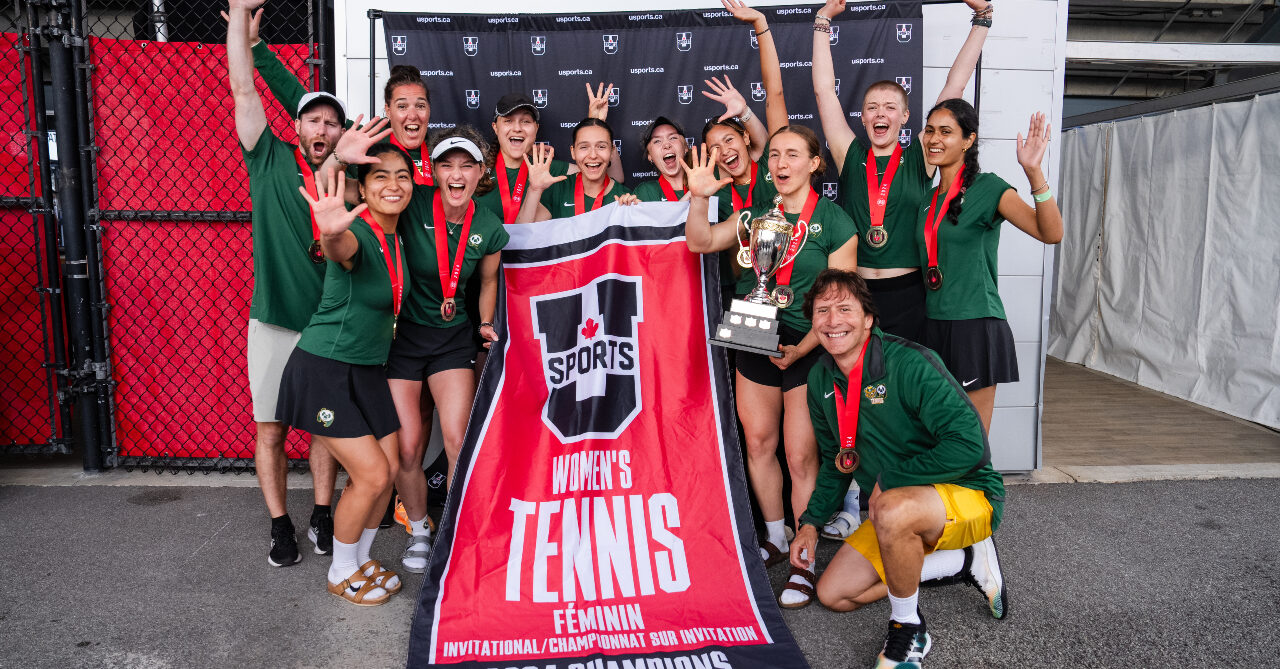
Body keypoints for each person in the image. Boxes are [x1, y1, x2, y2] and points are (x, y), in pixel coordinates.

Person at [810, 0, 992, 543]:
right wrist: (823, 22)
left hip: (912, 297)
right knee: (849, 396)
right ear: (863, 117)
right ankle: (850, 498)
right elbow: (823, 92)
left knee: (899, 399)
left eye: (891, 105)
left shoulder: (920, 158)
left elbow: (954, 89)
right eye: (871, 106)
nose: (880, 113)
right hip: (859, 296)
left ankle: (902, 501)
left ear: (907, 117)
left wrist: (980, 24)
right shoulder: (849, 154)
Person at [791, 269, 1007, 668]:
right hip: (897, 505)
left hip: (969, 493)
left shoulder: (910, 363)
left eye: (844, 309)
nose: (833, 320)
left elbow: (971, 447)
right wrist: (809, 523)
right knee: (834, 593)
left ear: (868, 318)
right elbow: (839, 462)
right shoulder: (822, 376)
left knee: (889, 507)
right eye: (822, 311)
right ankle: (962, 563)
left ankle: (908, 628)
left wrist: (891, 479)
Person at [683, 125, 857, 610]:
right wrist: (698, 199)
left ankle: (804, 562)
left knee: (801, 457)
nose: (781, 164)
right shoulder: (754, 216)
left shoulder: (835, 222)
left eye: (793, 155)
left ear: (814, 163)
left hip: (809, 347)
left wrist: (803, 349)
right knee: (759, 443)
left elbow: (842, 304)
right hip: (751, 334)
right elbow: (698, 242)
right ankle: (777, 537)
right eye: (775, 155)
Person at [227, 0, 343, 566]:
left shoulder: (348, 175)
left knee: (325, 429)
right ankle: (280, 525)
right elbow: (245, 92)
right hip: (273, 319)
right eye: (312, 119)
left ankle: (323, 513)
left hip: (325, 327)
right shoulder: (267, 156)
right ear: (296, 125)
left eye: (330, 122)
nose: (320, 128)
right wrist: (237, 21)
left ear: (339, 132)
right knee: (271, 431)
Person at [279, 145, 413, 606]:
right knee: (372, 475)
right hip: (325, 369)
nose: (392, 185)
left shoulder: (396, 239)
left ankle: (360, 560)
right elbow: (342, 248)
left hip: (368, 370)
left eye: (401, 176)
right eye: (380, 178)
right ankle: (340, 572)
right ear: (363, 189)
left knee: (391, 468)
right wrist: (332, 231)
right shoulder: (356, 231)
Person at [385, 126, 508, 574]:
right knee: (408, 448)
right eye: (447, 165)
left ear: (481, 172)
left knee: (458, 439)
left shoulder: (489, 225)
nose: (456, 174)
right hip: (404, 338)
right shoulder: (413, 201)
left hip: (453, 338)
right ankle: (419, 530)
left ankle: (453, 532)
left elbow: (489, 281)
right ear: (434, 171)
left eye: (466, 165)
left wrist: (488, 322)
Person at [917, 101, 1062, 433]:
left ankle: (982, 487)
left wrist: (1033, 172)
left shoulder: (990, 188)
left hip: (975, 325)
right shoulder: (927, 199)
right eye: (930, 130)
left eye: (946, 132)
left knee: (972, 435)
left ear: (968, 140)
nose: (934, 139)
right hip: (933, 326)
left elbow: (1051, 233)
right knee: (936, 431)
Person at [516, 118, 635, 223]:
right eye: (584, 147)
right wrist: (534, 189)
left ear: (612, 151)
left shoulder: (623, 198)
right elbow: (522, 234)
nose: (593, 155)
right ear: (573, 152)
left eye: (601, 147)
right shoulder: (559, 189)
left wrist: (633, 213)